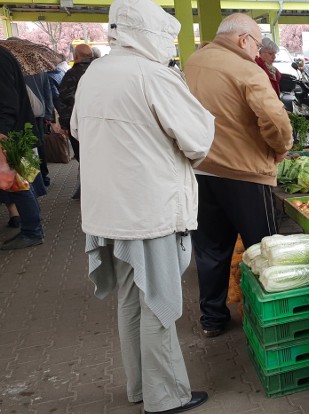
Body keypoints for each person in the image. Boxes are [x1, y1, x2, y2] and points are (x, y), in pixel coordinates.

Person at [71, 0, 214, 412]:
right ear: (149, 34)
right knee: (159, 303)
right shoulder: (153, 76)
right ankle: (166, 397)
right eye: (167, 38)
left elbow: (78, 128)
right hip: (149, 209)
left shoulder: (95, 72)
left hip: (108, 210)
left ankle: (140, 387)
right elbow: (198, 140)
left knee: (131, 300)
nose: (170, 46)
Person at [183, 13, 293, 338]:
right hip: (245, 174)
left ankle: (212, 320)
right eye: (257, 45)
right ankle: (271, 317)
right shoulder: (246, 69)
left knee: (210, 249)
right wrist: (280, 147)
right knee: (263, 248)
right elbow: (275, 119)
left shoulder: (194, 62)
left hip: (201, 170)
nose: (258, 53)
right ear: (243, 40)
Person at [0, 46, 44, 250]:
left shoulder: (1, 57)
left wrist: (3, 131)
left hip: (12, 135)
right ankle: (31, 230)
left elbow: (7, 101)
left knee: (20, 184)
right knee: (21, 183)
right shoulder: (4, 54)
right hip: (17, 132)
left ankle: (32, 231)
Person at [57, 43, 95, 200]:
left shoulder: (72, 74)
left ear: (76, 56)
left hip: (79, 124)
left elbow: (64, 100)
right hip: (102, 123)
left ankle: (85, 189)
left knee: (83, 157)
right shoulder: (100, 72)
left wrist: (65, 124)